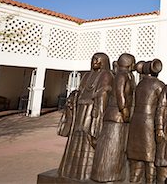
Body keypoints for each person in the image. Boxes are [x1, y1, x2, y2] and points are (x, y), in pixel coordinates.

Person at [57, 53, 113, 181]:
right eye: (93, 59)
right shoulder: (87, 75)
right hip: (80, 111)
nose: (94, 62)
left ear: (103, 62)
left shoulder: (106, 75)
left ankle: (86, 173)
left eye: (97, 60)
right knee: (76, 138)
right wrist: (74, 96)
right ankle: (70, 171)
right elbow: (81, 91)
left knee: (88, 139)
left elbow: (104, 93)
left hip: (92, 111)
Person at [91, 53, 136, 182]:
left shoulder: (128, 75)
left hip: (120, 117)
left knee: (118, 147)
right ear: (128, 63)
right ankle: (106, 174)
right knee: (111, 146)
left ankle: (115, 174)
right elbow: (119, 92)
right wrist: (124, 109)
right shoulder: (122, 76)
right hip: (116, 116)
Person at [127, 59, 165, 183]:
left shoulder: (139, 85)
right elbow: (163, 106)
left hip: (136, 121)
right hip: (149, 122)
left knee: (137, 156)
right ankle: (149, 181)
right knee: (150, 156)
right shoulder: (158, 85)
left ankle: (134, 179)